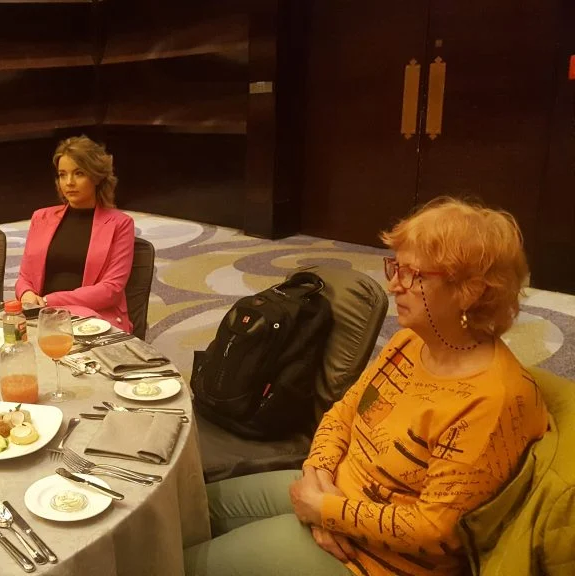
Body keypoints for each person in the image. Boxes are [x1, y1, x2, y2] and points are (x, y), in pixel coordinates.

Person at [184, 197, 548, 576]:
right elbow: (344, 412)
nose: (393, 285)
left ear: (470, 290)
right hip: (333, 491)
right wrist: (318, 471)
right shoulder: (411, 343)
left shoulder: (492, 400)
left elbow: (437, 531)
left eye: (413, 275)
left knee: (179, 566)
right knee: (182, 510)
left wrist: (326, 511)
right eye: (395, 268)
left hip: (375, 561)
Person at [15, 136, 135, 332]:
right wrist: (26, 293)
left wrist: (50, 301)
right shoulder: (41, 217)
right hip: (40, 315)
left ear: (96, 177)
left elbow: (111, 290)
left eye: (79, 173)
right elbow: (25, 276)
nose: (69, 182)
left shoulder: (120, 224)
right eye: (62, 175)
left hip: (93, 319)